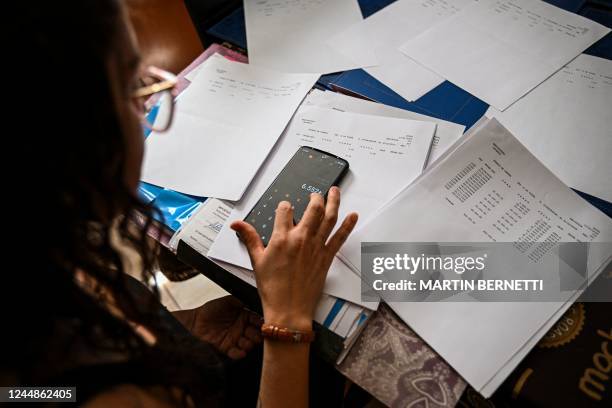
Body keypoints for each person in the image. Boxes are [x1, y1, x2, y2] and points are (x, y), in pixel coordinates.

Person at [3, 1, 358, 407]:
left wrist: (180, 331)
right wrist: (288, 323)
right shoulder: (114, 396)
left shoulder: (31, 259)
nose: (148, 108)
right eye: (134, 88)